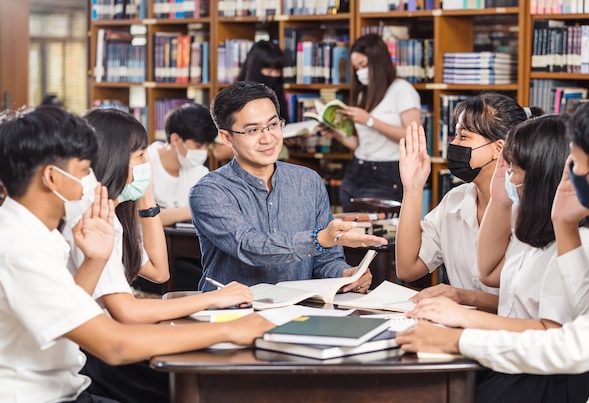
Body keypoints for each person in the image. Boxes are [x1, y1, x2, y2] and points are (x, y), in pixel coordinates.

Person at [0, 105, 273, 403]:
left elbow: (68, 310)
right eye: (84, 170)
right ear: (52, 178)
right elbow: (113, 346)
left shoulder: (36, 232)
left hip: (64, 387)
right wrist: (232, 331)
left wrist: (94, 260)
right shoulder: (22, 248)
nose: (93, 179)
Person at [395, 93, 589, 403]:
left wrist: (458, 339)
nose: (566, 173)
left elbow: (571, 343)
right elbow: (583, 307)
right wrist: (564, 224)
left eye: (575, 164)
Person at [64, 107, 255, 403]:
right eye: (141, 156)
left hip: (99, 345)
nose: (147, 165)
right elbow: (126, 312)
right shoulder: (91, 218)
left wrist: (147, 195)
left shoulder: (112, 214)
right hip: (93, 355)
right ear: (113, 159)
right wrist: (214, 298)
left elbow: (158, 271)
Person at [189, 81, 388, 292]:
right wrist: (319, 238)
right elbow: (250, 247)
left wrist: (344, 275)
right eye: (253, 130)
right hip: (232, 315)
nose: (267, 138)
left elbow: (326, 260)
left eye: (273, 125)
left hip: (298, 313)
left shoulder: (308, 182)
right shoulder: (209, 191)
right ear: (226, 138)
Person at [396, 93, 533, 312]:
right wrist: (412, 189)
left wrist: (463, 297)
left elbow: (525, 306)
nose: (453, 143)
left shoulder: (530, 209)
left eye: (463, 136)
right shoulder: (455, 200)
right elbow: (407, 268)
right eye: (455, 135)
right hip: (457, 327)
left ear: (499, 149)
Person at [318, 33, 421, 212]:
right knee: (352, 232)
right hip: (357, 169)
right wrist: (336, 134)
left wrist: (370, 121)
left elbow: (413, 137)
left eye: (363, 65)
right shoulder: (363, 94)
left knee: (379, 235)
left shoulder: (402, 90)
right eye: (356, 68)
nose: (360, 72)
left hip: (386, 172)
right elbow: (360, 143)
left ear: (377, 62)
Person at [148, 102, 216, 226]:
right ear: (175, 139)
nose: (203, 152)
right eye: (198, 146)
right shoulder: (145, 163)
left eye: (207, 146)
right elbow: (146, 217)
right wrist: (195, 210)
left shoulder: (200, 172)